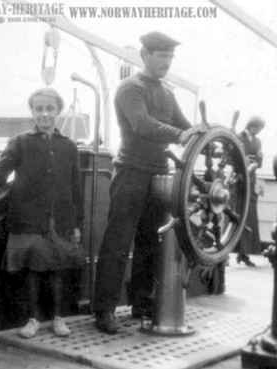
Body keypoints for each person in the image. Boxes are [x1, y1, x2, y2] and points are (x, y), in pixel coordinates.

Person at [94, 31, 204, 334]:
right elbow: (141, 124)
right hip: (130, 172)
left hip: (158, 175)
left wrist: (203, 132)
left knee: (148, 243)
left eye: (170, 57)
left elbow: (184, 125)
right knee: (117, 243)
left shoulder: (167, 92)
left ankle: (140, 304)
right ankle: (103, 311)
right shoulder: (130, 88)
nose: (166, 63)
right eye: (161, 56)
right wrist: (180, 135)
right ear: (145, 56)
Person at [0, 87, 84, 338]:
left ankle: (58, 319)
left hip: (60, 220)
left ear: (57, 111)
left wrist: (77, 223)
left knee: (57, 269)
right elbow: (0, 171)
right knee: (33, 271)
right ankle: (33, 320)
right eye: (39, 109)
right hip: (28, 218)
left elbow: (76, 188)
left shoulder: (69, 147)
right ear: (32, 112)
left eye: (49, 109)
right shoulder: (20, 143)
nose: (44, 114)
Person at [236, 116, 265, 267]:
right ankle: (227, 253)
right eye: (259, 128)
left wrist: (258, 159)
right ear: (253, 125)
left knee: (250, 216)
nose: (259, 132)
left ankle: (244, 253)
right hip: (239, 180)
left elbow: (260, 162)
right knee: (235, 215)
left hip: (251, 181)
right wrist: (246, 159)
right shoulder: (239, 137)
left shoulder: (258, 141)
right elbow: (234, 158)